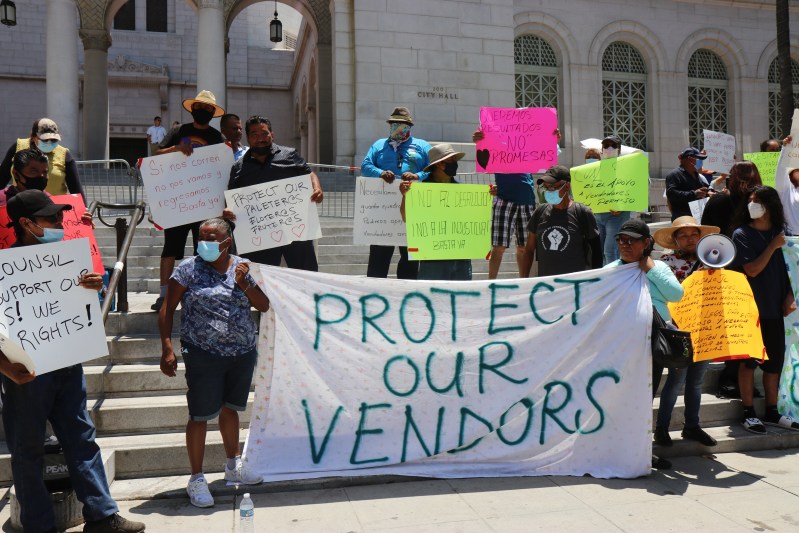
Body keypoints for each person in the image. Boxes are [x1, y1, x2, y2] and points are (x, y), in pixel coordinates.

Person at [0, 190, 145, 533]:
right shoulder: (5, 268)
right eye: (50, 219)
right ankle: (39, 526)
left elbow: (83, 310)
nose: (58, 223)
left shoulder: (67, 260)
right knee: (27, 448)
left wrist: (94, 288)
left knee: (82, 438)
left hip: (67, 365)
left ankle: (102, 516)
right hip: (26, 373)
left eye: (59, 217)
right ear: (26, 223)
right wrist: (6, 369)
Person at [159, 217, 269, 508]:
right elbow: (168, 308)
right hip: (202, 353)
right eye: (201, 237)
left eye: (210, 238)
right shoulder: (188, 269)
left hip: (241, 353)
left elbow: (264, 305)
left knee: (230, 409)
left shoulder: (243, 267)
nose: (203, 243)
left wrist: (244, 283)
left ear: (226, 242)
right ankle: (196, 478)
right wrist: (167, 346)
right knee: (199, 415)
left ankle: (233, 464)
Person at [604, 218, 684, 469]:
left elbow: (676, 294)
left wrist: (651, 270)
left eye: (631, 241)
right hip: (623, 346)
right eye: (621, 240)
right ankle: (616, 448)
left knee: (644, 398)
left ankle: (640, 451)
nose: (624, 245)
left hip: (652, 346)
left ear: (646, 243)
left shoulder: (658, 267)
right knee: (620, 398)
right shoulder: (612, 270)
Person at [731, 185, 799, 434]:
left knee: (774, 363)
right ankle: (748, 412)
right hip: (750, 310)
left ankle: (772, 411)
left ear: (769, 206)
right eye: (750, 200)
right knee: (749, 362)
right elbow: (752, 270)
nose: (752, 204)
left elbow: (793, 268)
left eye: (757, 200)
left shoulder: (782, 233)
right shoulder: (741, 234)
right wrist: (772, 247)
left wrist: (790, 295)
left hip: (775, 309)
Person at [151, 90, 225, 312]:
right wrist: (176, 149)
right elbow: (156, 155)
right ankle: (164, 294)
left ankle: (198, 291)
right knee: (169, 249)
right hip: (178, 201)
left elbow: (222, 167)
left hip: (204, 204)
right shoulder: (179, 131)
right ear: (192, 108)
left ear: (213, 112)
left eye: (208, 108)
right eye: (200, 107)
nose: (203, 111)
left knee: (202, 248)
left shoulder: (216, 137)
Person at [652, 216, 721, 447]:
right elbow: (672, 294)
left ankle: (692, 426)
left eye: (694, 234)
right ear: (675, 240)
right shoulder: (665, 262)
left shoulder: (713, 260)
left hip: (704, 329)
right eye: (683, 235)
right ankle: (661, 428)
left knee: (697, 382)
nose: (689, 239)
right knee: (676, 381)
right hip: (678, 332)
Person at [226, 115, 324, 269]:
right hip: (259, 235)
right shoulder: (238, 167)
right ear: (248, 138)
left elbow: (309, 173)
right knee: (259, 277)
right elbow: (231, 198)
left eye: (264, 133)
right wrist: (228, 210)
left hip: (295, 228)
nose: (260, 138)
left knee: (305, 273)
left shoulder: (289, 155)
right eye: (255, 134)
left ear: (272, 134)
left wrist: (317, 188)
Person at [701, 161, 764, 398]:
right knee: (736, 327)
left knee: (741, 327)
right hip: (737, 269)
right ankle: (732, 378)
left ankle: (738, 378)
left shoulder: (749, 202)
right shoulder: (727, 201)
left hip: (741, 268)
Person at [361, 107, 431, 279]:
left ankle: (406, 289)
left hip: (413, 210)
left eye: (401, 124)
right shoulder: (379, 145)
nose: (397, 127)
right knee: (379, 256)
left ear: (409, 126)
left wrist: (417, 175)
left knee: (410, 259)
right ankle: (375, 289)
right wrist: (380, 173)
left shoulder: (423, 146)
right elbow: (365, 166)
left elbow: (433, 169)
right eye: (393, 123)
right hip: (382, 212)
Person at [399, 143, 472, 280]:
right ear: (439, 164)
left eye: (455, 160)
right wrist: (405, 196)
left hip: (461, 256)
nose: (455, 163)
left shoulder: (463, 189)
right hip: (433, 258)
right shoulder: (420, 190)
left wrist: (489, 196)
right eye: (451, 160)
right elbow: (406, 217)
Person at [521, 165, 602, 277]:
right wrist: (523, 280)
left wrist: (596, 281)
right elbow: (529, 250)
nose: (549, 191)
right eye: (546, 187)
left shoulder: (582, 213)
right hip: (546, 284)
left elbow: (597, 252)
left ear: (567, 186)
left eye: (553, 187)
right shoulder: (540, 212)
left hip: (575, 283)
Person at [0, 118, 86, 202]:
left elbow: (76, 189)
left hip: (53, 207)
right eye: (45, 140)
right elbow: (2, 178)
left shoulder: (65, 154)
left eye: (54, 140)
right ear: (33, 136)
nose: (49, 142)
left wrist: (84, 208)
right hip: (21, 204)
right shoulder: (18, 146)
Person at [594, 135, 632, 263]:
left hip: (617, 216)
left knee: (610, 250)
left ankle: (613, 274)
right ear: (602, 149)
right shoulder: (595, 168)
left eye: (613, 146)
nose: (609, 148)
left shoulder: (628, 166)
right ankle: (604, 273)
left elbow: (639, 188)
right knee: (600, 249)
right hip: (599, 214)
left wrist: (623, 206)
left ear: (619, 149)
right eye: (606, 146)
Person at [665, 147, 713, 220]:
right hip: (682, 219)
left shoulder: (697, 175)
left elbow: (705, 189)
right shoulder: (674, 175)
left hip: (697, 218)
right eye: (698, 158)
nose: (700, 162)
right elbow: (671, 194)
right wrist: (694, 194)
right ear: (690, 159)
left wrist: (709, 193)